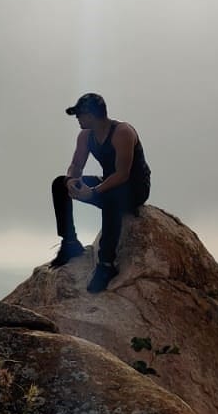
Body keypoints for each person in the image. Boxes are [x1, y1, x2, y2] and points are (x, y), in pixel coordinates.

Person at [50, 92, 152, 293]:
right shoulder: (85, 136)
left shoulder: (123, 132)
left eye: (80, 114)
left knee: (112, 197)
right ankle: (70, 243)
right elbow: (76, 164)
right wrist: (71, 180)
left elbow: (123, 174)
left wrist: (94, 192)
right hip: (110, 182)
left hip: (134, 188)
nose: (77, 118)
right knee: (59, 184)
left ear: (92, 114)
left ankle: (106, 264)